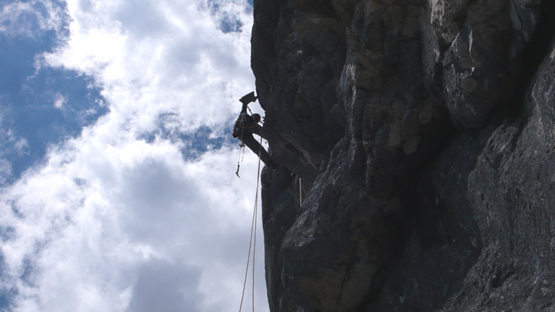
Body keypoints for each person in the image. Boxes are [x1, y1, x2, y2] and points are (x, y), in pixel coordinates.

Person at [232, 92, 278, 169]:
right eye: (255, 117)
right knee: (259, 145)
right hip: (246, 130)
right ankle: (269, 161)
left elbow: (244, 105)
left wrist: (245, 101)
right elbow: (244, 106)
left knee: (257, 148)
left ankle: (269, 162)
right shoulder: (247, 118)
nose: (255, 118)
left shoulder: (245, 116)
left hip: (243, 132)